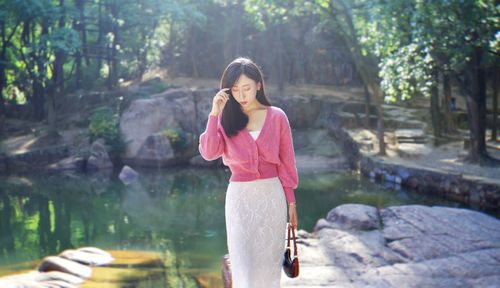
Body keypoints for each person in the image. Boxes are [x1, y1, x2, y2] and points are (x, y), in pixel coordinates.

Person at [198, 57, 299, 287]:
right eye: (235, 90)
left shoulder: (277, 116)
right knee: (243, 266)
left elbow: (286, 163)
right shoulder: (226, 118)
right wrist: (214, 114)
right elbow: (209, 152)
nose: (242, 95)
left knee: (268, 267)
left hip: (271, 197)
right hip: (239, 199)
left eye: (246, 88)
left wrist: (291, 203)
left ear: (258, 85)